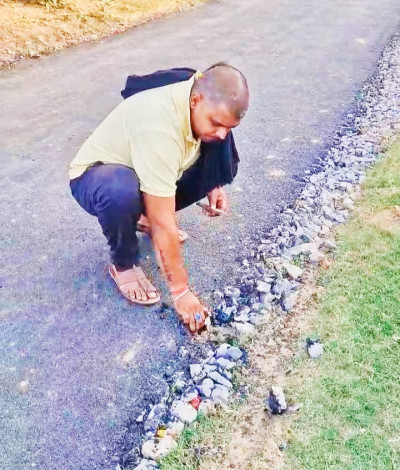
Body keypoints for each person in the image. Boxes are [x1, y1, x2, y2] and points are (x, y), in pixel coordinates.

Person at [69, 63, 249, 333]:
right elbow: (165, 225)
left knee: (225, 164)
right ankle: (123, 263)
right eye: (216, 123)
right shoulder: (159, 127)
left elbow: (215, 140)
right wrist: (181, 292)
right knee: (120, 191)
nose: (223, 134)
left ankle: (142, 215)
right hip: (96, 177)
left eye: (230, 127)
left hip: (143, 168)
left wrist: (213, 183)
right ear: (195, 101)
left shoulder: (199, 99)